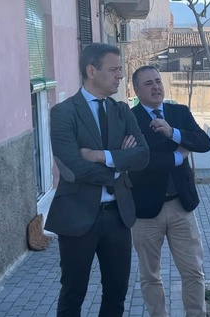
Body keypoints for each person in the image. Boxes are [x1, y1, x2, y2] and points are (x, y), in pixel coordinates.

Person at [45, 43, 149, 316]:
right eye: (114, 69)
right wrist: (118, 164)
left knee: (116, 293)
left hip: (118, 215)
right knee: (73, 293)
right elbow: (73, 165)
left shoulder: (122, 111)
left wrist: (101, 156)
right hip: (77, 217)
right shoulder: (63, 112)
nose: (120, 76)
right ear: (91, 71)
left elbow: (142, 155)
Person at [128, 66, 210, 317]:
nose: (156, 87)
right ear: (136, 90)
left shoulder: (178, 112)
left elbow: (204, 143)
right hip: (145, 212)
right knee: (150, 276)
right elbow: (137, 162)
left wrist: (172, 132)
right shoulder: (129, 119)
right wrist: (177, 156)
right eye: (148, 84)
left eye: (158, 81)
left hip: (181, 206)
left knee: (194, 272)